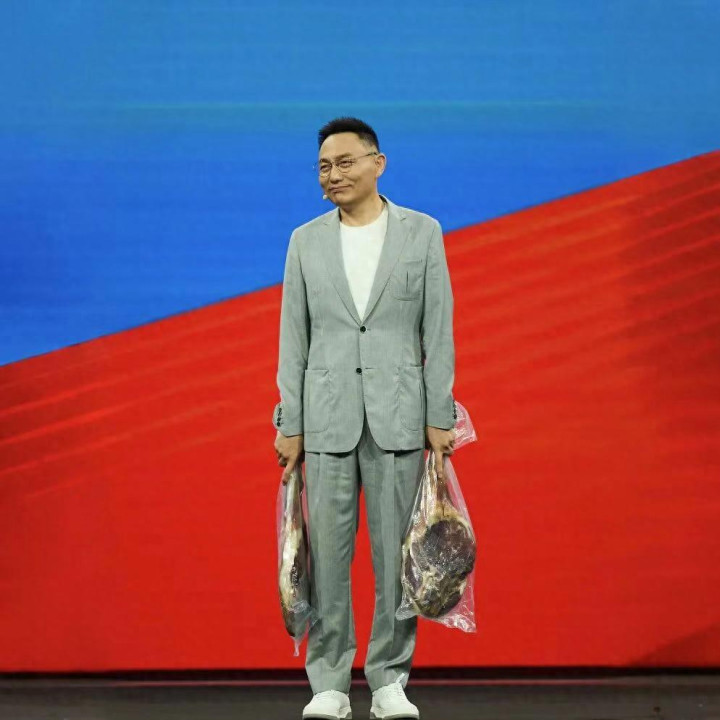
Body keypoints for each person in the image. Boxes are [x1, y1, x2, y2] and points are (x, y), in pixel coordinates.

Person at [273, 116, 457, 720]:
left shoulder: (421, 233)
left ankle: (388, 680)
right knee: (327, 559)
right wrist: (290, 422)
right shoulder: (305, 241)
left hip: (399, 417)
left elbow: (437, 329)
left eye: (345, 162)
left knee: (396, 558)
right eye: (324, 166)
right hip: (325, 422)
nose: (333, 175)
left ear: (378, 163)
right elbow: (293, 339)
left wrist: (438, 413)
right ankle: (329, 681)